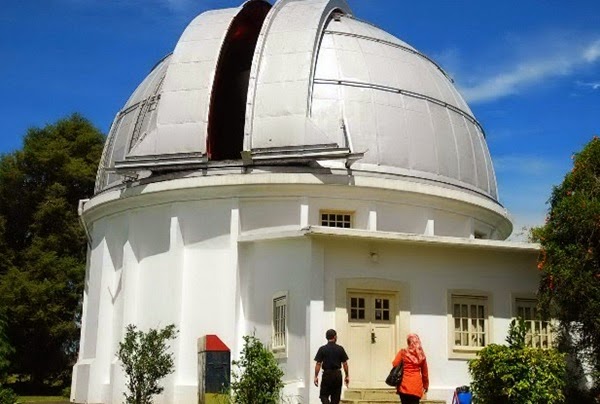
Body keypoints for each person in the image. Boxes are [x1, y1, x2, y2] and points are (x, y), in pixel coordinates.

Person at [314, 329, 349, 404]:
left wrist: (316, 376)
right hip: (337, 374)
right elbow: (345, 363)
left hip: (327, 374)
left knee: (323, 395)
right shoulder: (340, 349)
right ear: (335, 337)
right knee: (336, 398)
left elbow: (318, 364)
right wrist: (347, 375)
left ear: (326, 337)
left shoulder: (322, 349)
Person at [392, 333, 429, 404]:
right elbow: (425, 373)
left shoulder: (403, 352)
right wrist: (426, 385)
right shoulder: (421, 355)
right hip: (416, 386)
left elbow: (394, 363)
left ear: (408, 342)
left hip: (404, 385)